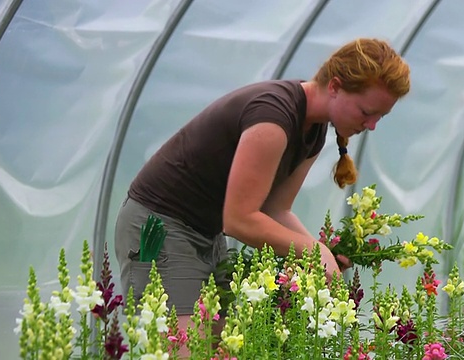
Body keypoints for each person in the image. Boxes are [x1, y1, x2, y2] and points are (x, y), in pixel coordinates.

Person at [114, 37, 410, 350]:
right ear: (335, 86)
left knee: (227, 346)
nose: (372, 125)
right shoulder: (273, 116)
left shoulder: (315, 129)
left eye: (380, 116)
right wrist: (313, 252)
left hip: (206, 234)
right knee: (182, 349)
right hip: (160, 228)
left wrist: (323, 256)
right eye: (367, 111)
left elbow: (276, 210)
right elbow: (239, 220)